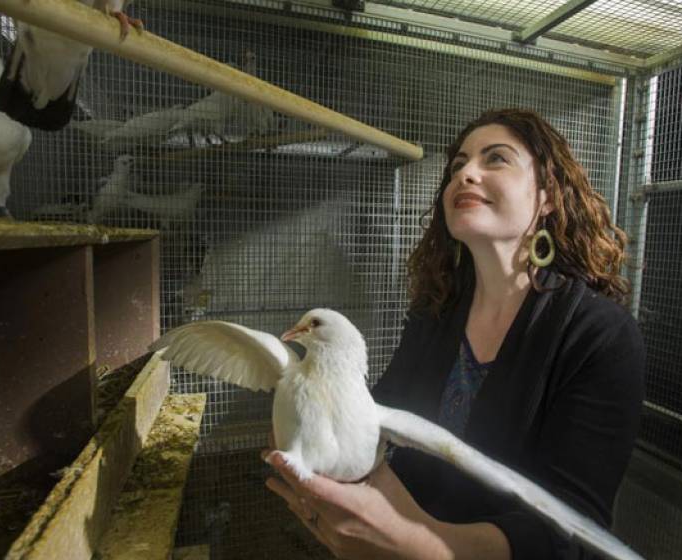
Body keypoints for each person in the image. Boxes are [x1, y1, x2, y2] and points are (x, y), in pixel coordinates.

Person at [264, 108, 645, 559]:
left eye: (496, 159)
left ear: (546, 196)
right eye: (458, 165)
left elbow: (575, 530)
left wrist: (422, 547)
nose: (466, 174)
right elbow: (371, 427)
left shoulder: (600, 334)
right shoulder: (435, 312)